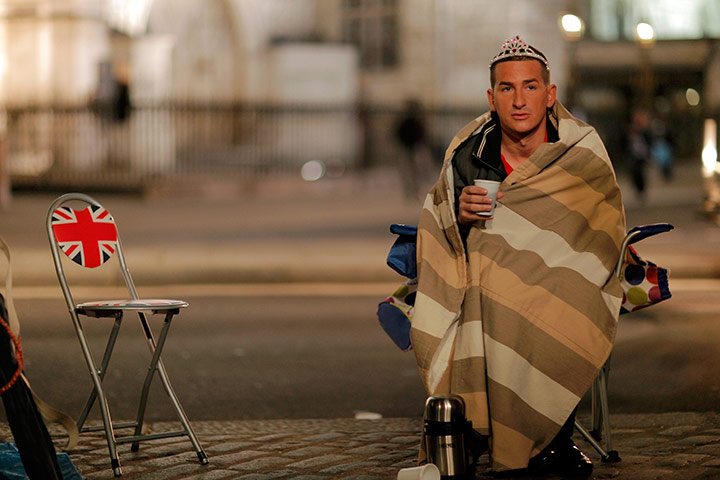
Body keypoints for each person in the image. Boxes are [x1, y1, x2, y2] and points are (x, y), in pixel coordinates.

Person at [410, 36, 626, 477]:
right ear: (491, 98)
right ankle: (477, 431)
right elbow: (437, 219)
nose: (519, 100)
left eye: (530, 87)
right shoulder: (469, 154)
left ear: (550, 95)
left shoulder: (580, 150)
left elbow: (601, 227)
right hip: (484, 288)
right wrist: (458, 212)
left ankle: (548, 438)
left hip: (567, 278)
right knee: (489, 288)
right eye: (507, 89)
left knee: (554, 304)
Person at [394, 99, 429, 200]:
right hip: (409, 148)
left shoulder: (414, 121)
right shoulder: (410, 121)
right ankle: (411, 190)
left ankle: (414, 190)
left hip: (413, 148)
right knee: (410, 171)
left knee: (414, 171)